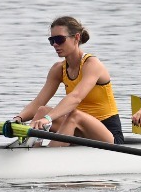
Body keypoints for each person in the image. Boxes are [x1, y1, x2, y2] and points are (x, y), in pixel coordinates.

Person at [17, 16, 120, 144]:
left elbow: (76, 97)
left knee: (74, 115)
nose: (55, 44)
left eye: (60, 39)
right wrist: (18, 119)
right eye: (52, 40)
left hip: (109, 134)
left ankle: (46, 158)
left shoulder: (92, 64)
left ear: (76, 38)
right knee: (42, 110)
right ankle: (29, 150)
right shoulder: (58, 69)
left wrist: (48, 119)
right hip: (80, 130)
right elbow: (39, 101)